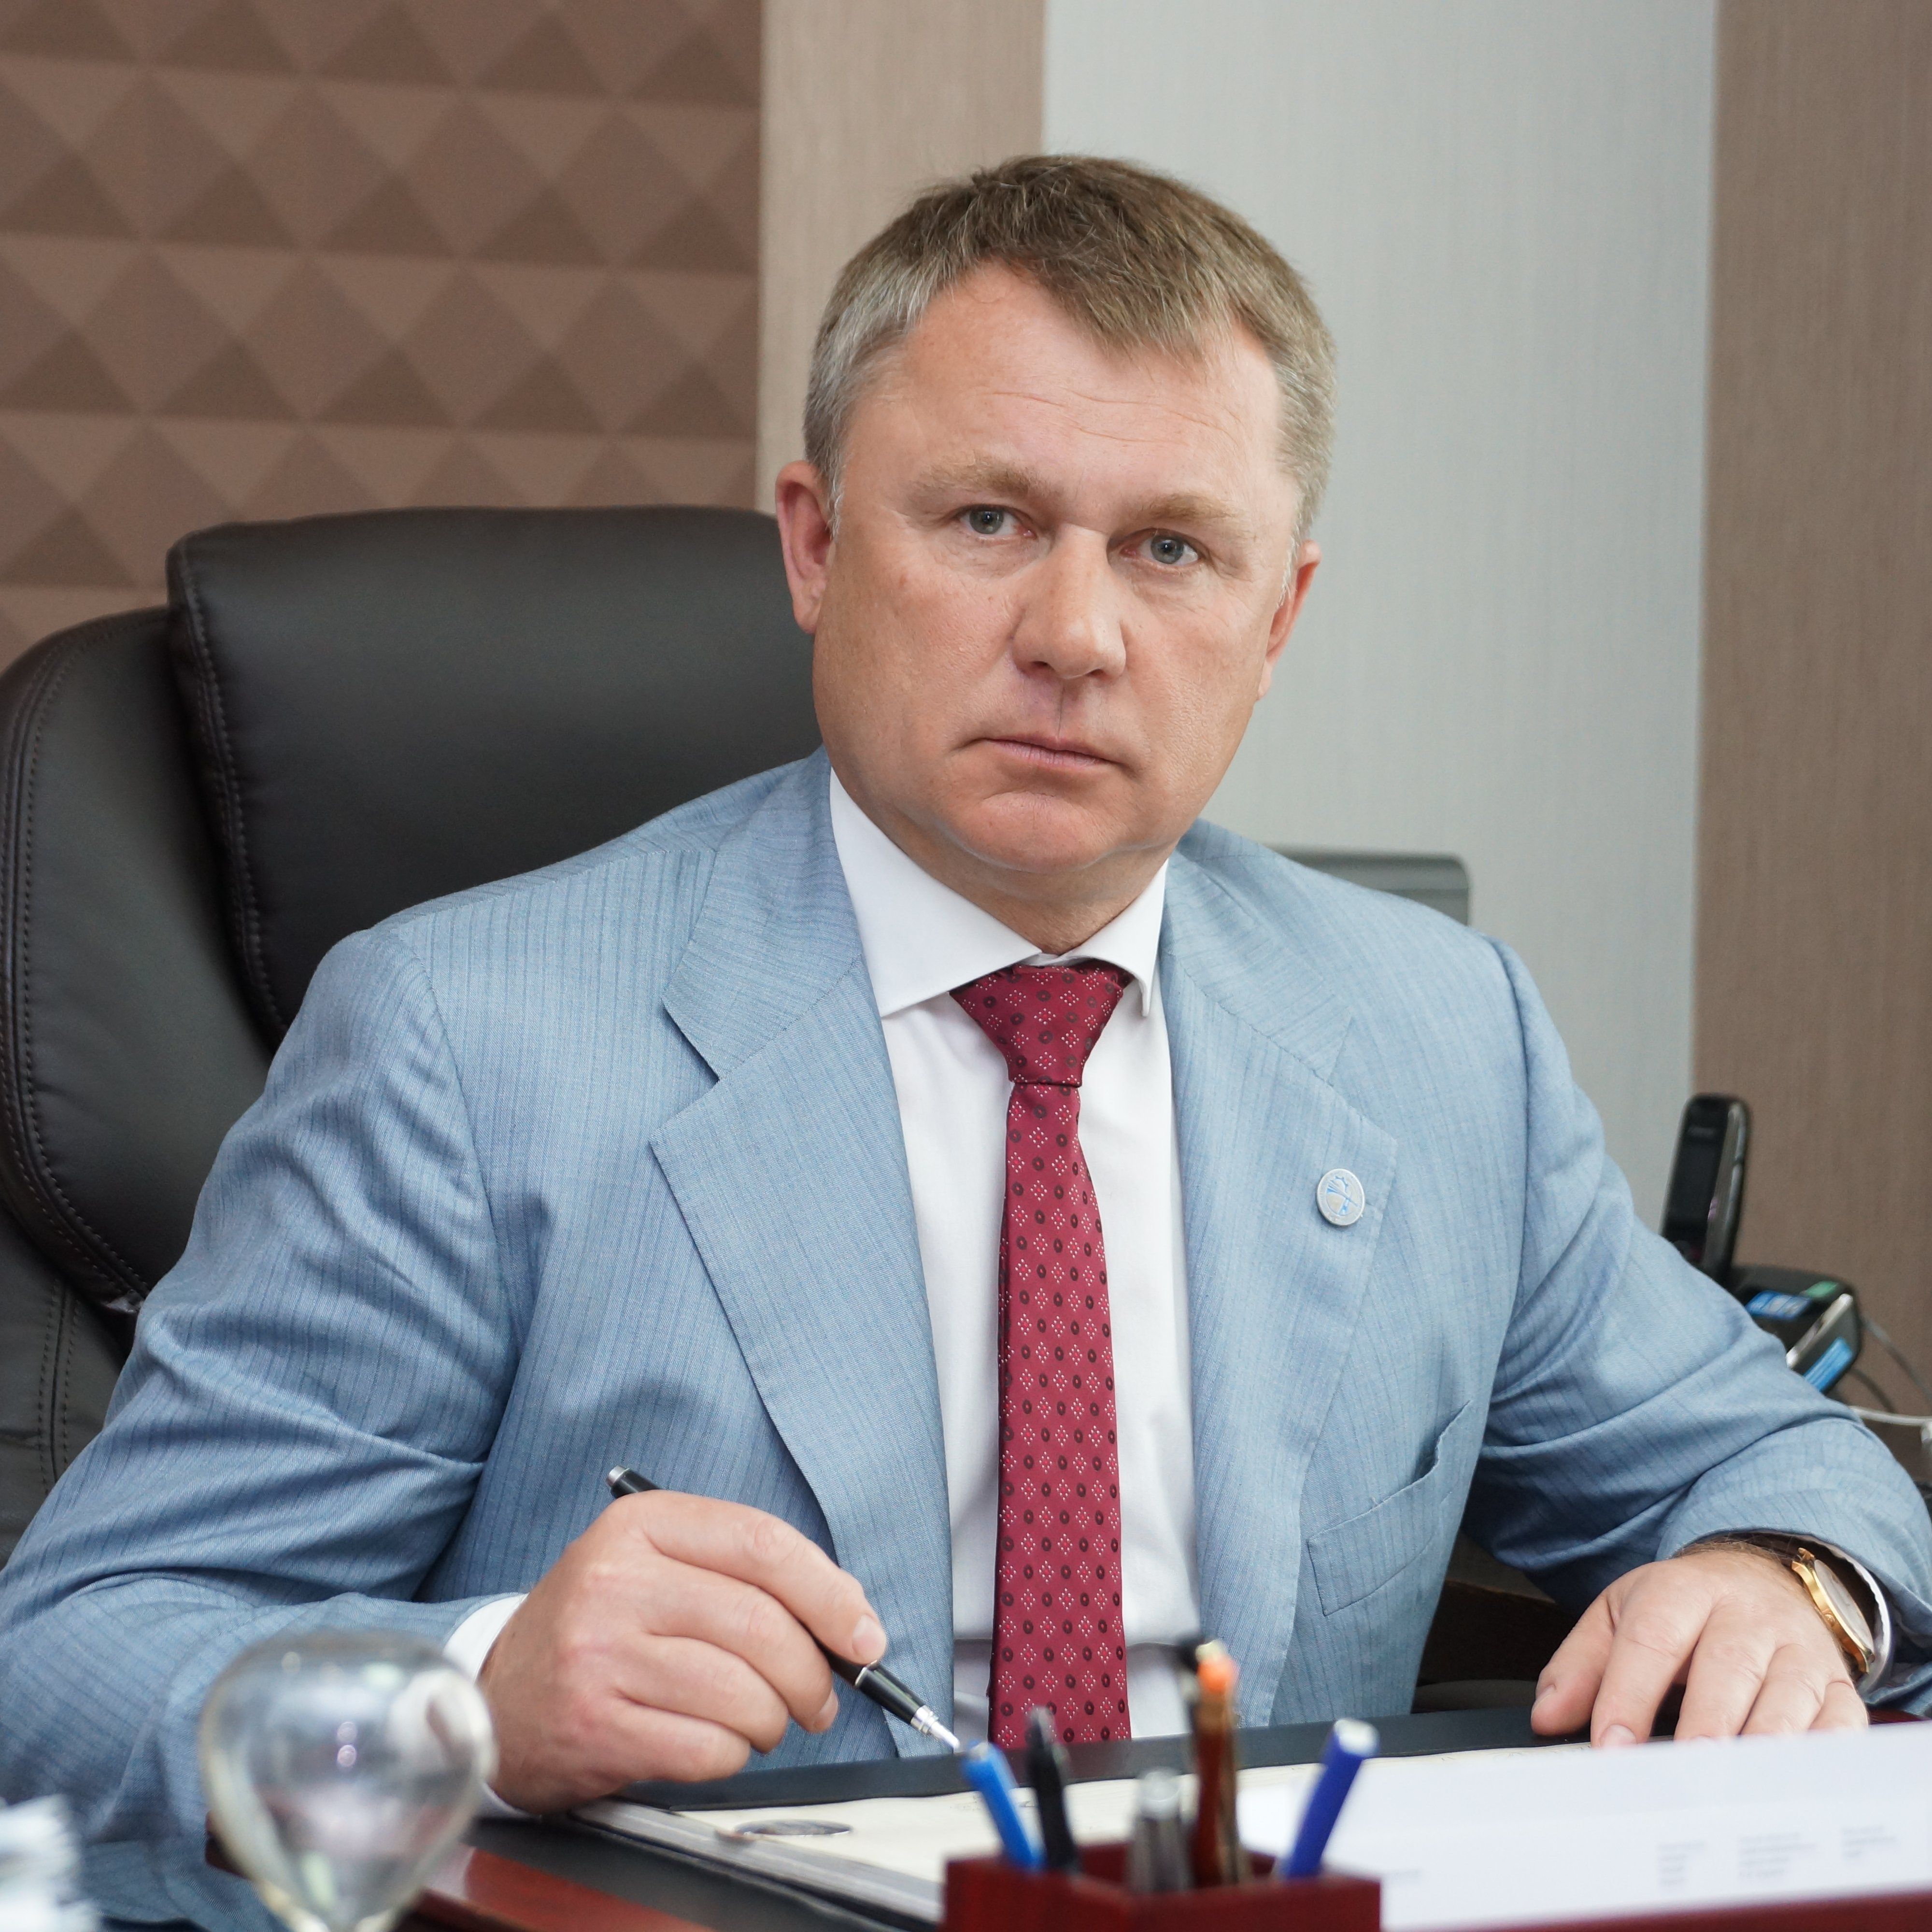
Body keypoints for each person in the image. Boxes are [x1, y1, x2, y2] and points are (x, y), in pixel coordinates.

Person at [1, 156, 1928, 1835]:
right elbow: (71, 1666)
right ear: (817, 544)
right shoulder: (466, 1040)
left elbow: (1777, 1458)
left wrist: (1784, 1580)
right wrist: (470, 1701)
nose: (1076, 635)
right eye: (989, 520)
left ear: (1275, 620)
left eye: (1171, 549)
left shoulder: (1436, 1034)